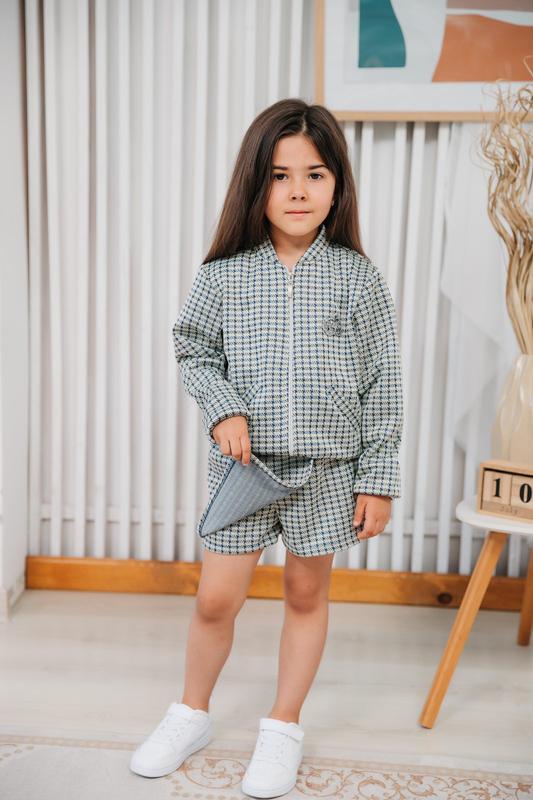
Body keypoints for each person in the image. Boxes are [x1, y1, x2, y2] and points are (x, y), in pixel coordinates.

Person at [130, 98, 404, 798]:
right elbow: (193, 348)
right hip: (244, 470)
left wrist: (377, 479)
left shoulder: (358, 278)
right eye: (281, 176)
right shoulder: (224, 274)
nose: (298, 191)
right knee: (215, 599)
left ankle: (282, 727)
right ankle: (190, 713)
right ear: (257, 184)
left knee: (306, 595)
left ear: (337, 184)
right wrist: (223, 409)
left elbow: (383, 383)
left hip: (328, 473)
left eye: (314, 175)